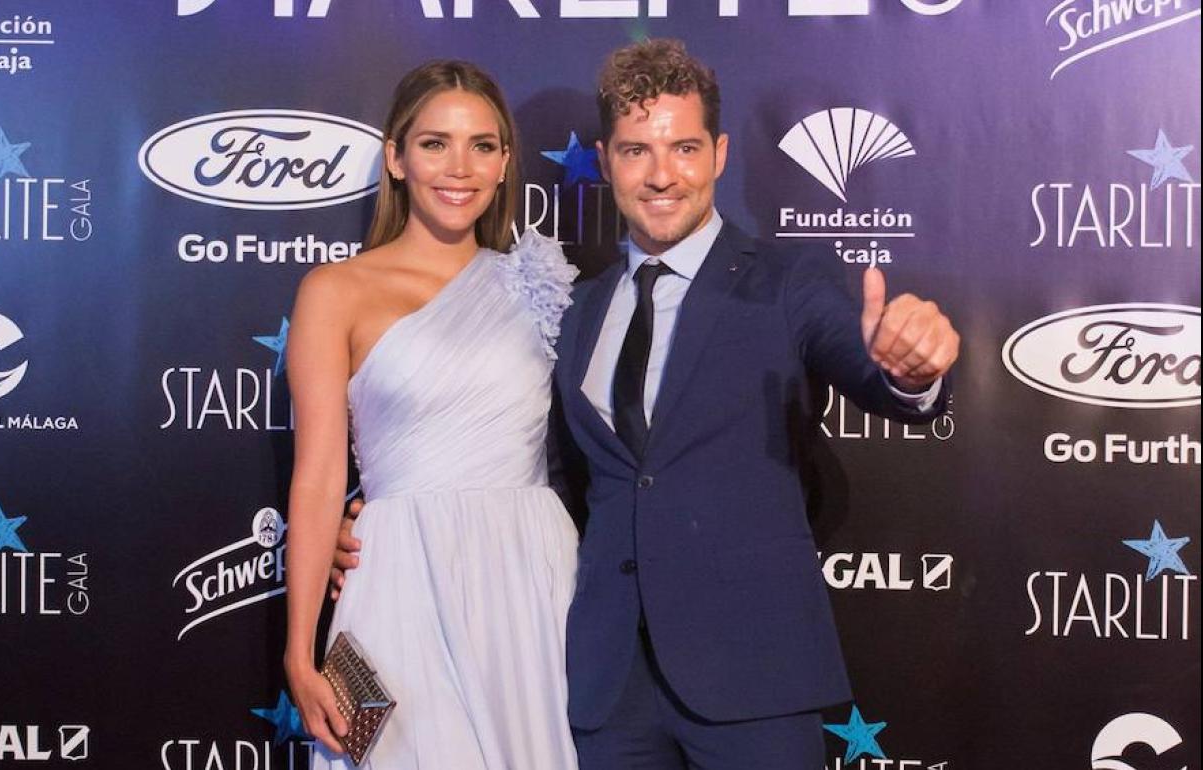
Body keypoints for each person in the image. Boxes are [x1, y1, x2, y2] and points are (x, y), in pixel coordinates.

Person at [335, 39, 959, 769]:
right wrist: (388, 519)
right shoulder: (575, 308)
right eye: (637, 151)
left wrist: (911, 373)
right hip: (604, 690)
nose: (662, 175)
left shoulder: (787, 279)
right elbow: (532, 462)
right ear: (606, 162)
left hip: (753, 678)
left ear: (719, 155)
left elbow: (868, 364)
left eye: (684, 148)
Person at [284, 60, 581, 770]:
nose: (460, 168)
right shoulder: (335, 291)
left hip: (531, 579)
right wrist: (299, 651)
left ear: (505, 163)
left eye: (482, 145)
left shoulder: (539, 283)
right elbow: (318, 478)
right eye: (434, 143)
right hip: (399, 576)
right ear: (396, 157)